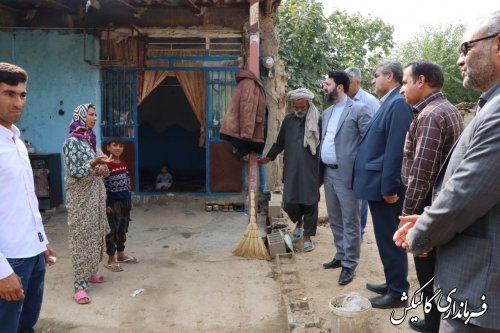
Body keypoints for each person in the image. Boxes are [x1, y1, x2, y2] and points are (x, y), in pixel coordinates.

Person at [395, 11, 500, 332]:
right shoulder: (485, 105)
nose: (459, 60)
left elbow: (465, 194)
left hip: (478, 283)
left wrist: (421, 227)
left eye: (466, 47)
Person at [399, 60, 464, 333]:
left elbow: (421, 174)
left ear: (421, 81)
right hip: (439, 205)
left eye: (404, 82)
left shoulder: (430, 115)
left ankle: (433, 326)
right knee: (438, 271)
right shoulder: (446, 109)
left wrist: (408, 219)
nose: (402, 90)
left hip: (426, 206)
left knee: (427, 274)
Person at [352, 60, 414, 308]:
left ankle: (398, 292)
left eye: (376, 75)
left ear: (390, 76)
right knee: (385, 238)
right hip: (377, 185)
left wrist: (389, 188)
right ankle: (393, 282)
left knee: (391, 239)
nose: (372, 80)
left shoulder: (398, 104)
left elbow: (396, 150)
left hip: (385, 188)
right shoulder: (388, 102)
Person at [0, 62, 56, 332]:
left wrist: (41, 241)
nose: (18, 102)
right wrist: (2, 272)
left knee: (26, 325)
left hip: (31, 255)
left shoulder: (17, 141)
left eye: (22, 95)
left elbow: (26, 199)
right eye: (9, 94)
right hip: (8, 260)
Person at [320, 71, 373, 285]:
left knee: (350, 220)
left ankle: (350, 264)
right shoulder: (327, 113)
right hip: (328, 173)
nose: (324, 87)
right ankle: (341, 254)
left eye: (327, 84)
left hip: (348, 175)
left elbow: (369, 143)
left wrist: (360, 170)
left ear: (339, 87)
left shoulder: (359, 109)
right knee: (334, 218)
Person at [258, 88, 321, 252]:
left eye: (302, 107)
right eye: (296, 107)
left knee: (310, 202)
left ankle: (307, 236)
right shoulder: (288, 120)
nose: (299, 110)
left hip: (311, 169)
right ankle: (298, 221)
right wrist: (269, 157)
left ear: (308, 104)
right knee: (290, 202)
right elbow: (280, 143)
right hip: (292, 168)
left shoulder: (317, 121)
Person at [62, 103, 112, 305]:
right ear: (81, 117)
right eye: (91, 114)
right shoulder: (72, 142)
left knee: (94, 235)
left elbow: (101, 167)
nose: (94, 118)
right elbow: (75, 171)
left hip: (95, 198)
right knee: (81, 238)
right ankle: (79, 285)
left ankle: (90, 273)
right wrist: (94, 165)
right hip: (80, 200)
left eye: (95, 114)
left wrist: (102, 167)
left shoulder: (90, 141)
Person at [345, 67, 380, 238]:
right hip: (347, 156)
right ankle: (350, 229)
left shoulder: (370, 101)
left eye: (348, 82)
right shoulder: (343, 100)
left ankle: (359, 230)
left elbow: (376, 132)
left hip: (364, 156)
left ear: (358, 82)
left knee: (361, 194)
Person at [104, 138, 137, 273]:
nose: (118, 148)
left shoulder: (123, 163)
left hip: (125, 201)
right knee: (112, 230)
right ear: (108, 148)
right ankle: (111, 258)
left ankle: (121, 254)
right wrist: (106, 204)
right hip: (113, 203)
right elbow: (103, 186)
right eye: (115, 145)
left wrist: (130, 200)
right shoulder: (106, 165)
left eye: (121, 146)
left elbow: (127, 182)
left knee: (123, 227)